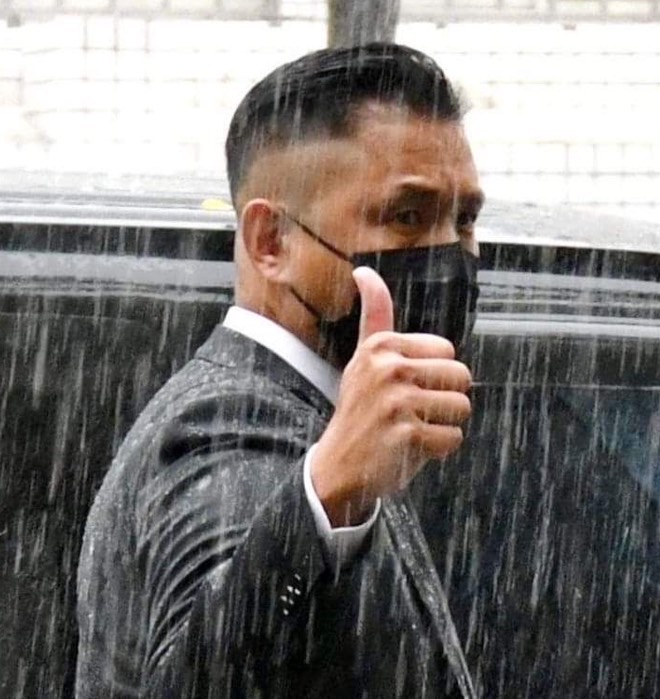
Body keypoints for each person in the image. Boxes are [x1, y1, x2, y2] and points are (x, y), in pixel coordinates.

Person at [76, 42, 484, 698]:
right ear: (271, 242)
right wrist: (323, 497)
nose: (449, 253)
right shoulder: (233, 431)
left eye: (463, 220)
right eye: (407, 216)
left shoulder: (316, 414)